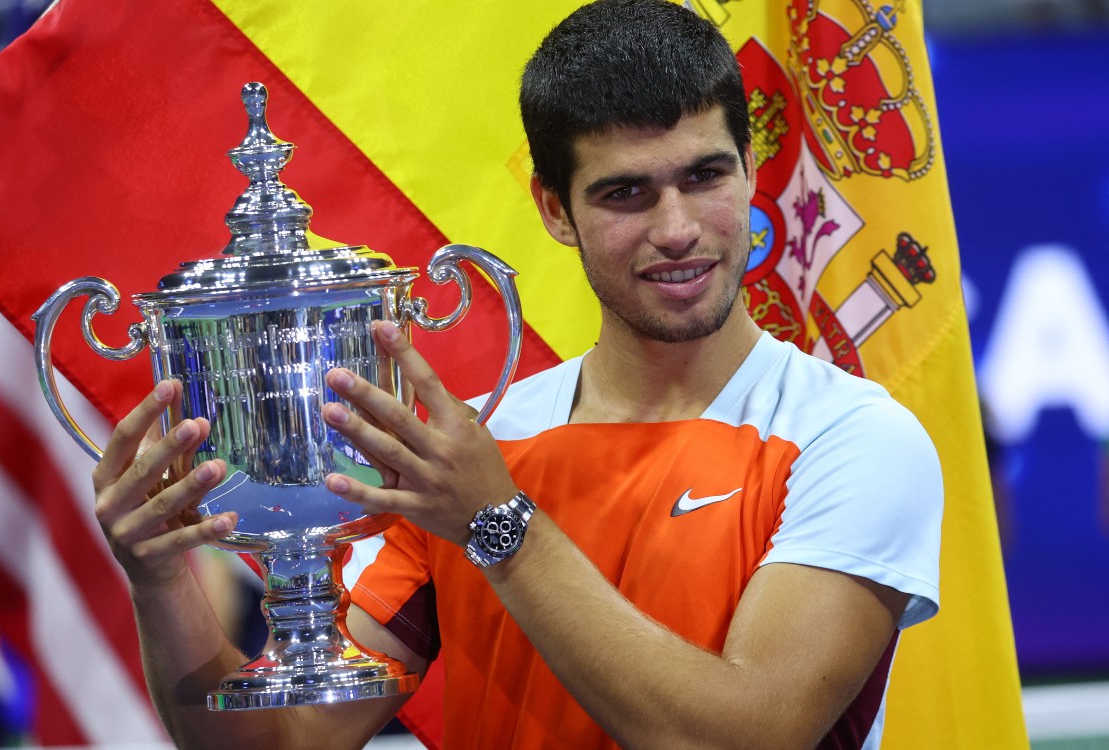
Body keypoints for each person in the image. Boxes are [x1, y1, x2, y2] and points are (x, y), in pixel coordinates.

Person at [93, 0, 943, 747]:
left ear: (751, 171)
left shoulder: (855, 439)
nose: (679, 227)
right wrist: (160, 580)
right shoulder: (469, 451)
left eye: (704, 176)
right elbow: (284, 749)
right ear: (553, 210)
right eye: (626, 194)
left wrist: (498, 525)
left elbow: (744, 738)